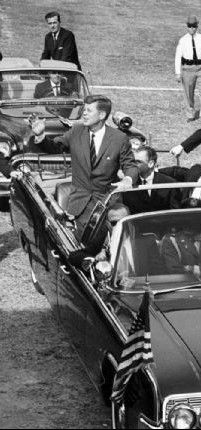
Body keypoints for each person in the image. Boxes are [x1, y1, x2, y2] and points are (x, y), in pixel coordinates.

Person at [29, 94, 139, 237]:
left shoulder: (119, 138)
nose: (84, 113)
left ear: (101, 115)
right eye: (84, 110)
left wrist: (128, 180)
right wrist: (41, 136)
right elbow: (55, 147)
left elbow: (130, 165)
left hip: (107, 203)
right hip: (79, 205)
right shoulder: (76, 131)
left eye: (88, 110)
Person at [123, 145, 181, 213]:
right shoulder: (128, 184)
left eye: (138, 162)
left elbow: (176, 213)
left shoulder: (169, 184)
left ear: (150, 164)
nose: (133, 165)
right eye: (132, 162)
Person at [175, 14, 201, 121]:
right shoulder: (183, 40)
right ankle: (190, 113)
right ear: (187, 26)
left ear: (197, 26)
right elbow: (178, 56)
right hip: (187, 69)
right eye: (190, 26)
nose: (192, 28)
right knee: (188, 93)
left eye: (194, 26)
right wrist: (178, 72)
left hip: (200, 67)